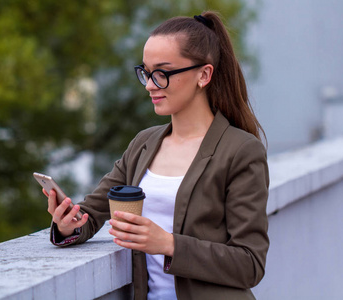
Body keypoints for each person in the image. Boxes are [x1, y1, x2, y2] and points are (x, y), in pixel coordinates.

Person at [44, 11, 269, 300]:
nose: (150, 84)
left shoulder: (240, 150)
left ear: (204, 74)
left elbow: (249, 264)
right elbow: (92, 212)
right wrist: (68, 225)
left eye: (162, 73)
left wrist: (169, 244)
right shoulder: (144, 144)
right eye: (146, 73)